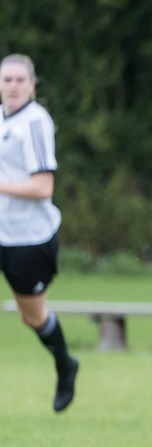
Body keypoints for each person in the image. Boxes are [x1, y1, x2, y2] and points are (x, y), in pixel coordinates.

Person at [1, 53, 78, 413]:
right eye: (7, 80)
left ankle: (65, 363)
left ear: (32, 85)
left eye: (20, 80)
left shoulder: (35, 123)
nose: (13, 86)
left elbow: (43, 187)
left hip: (28, 240)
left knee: (32, 316)